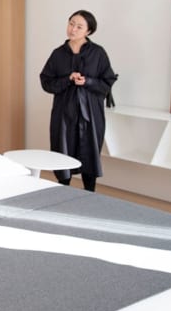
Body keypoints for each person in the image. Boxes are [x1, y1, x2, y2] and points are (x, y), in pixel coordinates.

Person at [40, 10, 117, 192]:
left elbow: (107, 81)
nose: (73, 29)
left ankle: (90, 194)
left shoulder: (98, 53)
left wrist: (88, 81)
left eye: (79, 26)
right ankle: (63, 191)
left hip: (90, 114)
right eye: (71, 23)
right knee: (62, 151)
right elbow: (46, 82)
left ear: (88, 31)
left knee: (90, 153)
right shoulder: (58, 54)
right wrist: (67, 79)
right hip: (63, 114)